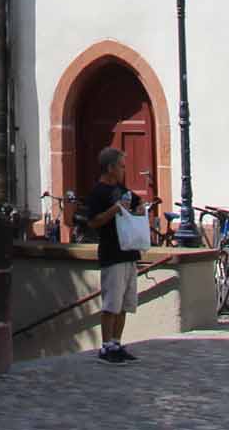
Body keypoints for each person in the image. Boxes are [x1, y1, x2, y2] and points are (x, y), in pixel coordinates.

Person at [83, 143, 144, 363]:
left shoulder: (121, 189)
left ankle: (117, 343)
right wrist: (115, 209)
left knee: (125, 304)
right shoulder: (98, 193)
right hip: (112, 253)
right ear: (110, 168)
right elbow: (93, 221)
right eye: (121, 166)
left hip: (128, 252)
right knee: (111, 303)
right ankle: (105, 347)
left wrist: (138, 209)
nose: (123, 170)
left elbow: (139, 203)